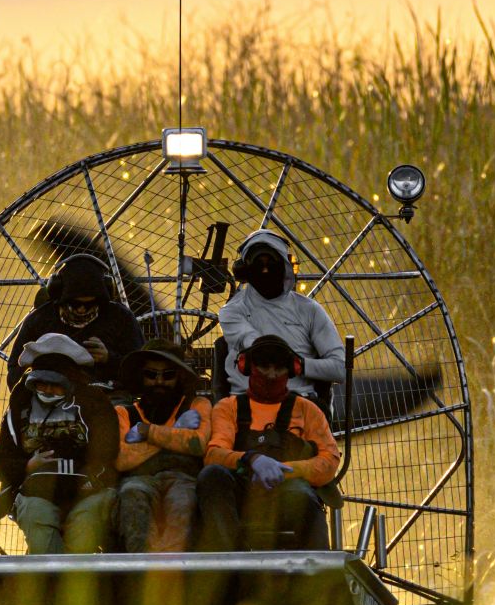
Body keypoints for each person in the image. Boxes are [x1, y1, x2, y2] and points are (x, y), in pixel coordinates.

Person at [196, 335, 340, 551]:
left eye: (279, 368)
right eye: (264, 366)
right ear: (246, 366)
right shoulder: (228, 407)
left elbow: (330, 461)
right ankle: (230, 560)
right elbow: (214, 455)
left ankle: (318, 568)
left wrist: (287, 470)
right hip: (242, 493)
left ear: (292, 370)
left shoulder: (308, 409)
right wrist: (252, 460)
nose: (271, 375)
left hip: (289, 493)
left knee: (303, 497)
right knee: (212, 476)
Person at [0, 333, 120, 554]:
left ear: (70, 383)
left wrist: (87, 472)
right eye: (42, 384)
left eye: (56, 385)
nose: (48, 390)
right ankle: (48, 571)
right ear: (33, 382)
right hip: (35, 493)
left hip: (87, 491)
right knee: (39, 528)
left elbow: (108, 451)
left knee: (84, 534)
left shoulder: (94, 402)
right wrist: (28, 466)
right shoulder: (20, 405)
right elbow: (1, 462)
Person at [217, 227, 345, 410]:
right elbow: (259, 346)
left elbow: (341, 369)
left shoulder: (310, 310)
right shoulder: (231, 311)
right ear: (244, 271)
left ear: (286, 267)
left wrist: (300, 366)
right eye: (258, 264)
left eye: (271, 263)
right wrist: (285, 360)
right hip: (245, 406)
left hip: (299, 405)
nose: (265, 269)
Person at [112, 340, 214, 552]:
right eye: (151, 374)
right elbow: (122, 459)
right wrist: (176, 431)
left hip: (184, 478)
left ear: (180, 377)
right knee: (132, 494)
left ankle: (171, 567)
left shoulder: (198, 404)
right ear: (141, 376)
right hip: (138, 480)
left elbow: (197, 444)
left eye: (168, 375)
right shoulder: (124, 412)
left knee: (182, 501)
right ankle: (142, 567)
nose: (159, 381)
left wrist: (146, 433)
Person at [6, 254, 144, 388]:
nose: (82, 310)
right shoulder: (40, 319)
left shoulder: (120, 318)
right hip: (52, 394)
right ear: (60, 296)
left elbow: (141, 370)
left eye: (89, 304)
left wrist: (108, 358)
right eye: (75, 304)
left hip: (105, 396)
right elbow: (14, 371)